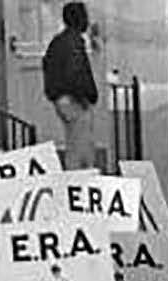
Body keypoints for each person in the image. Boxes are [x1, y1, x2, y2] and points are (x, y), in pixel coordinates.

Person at [43, 2, 99, 170]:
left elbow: (48, 66)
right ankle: (79, 185)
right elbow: (75, 74)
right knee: (81, 151)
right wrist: (85, 97)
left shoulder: (58, 42)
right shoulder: (74, 42)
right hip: (74, 99)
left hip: (61, 98)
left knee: (74, 143)